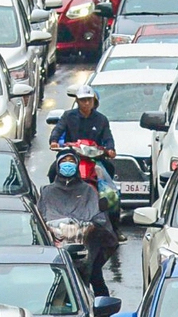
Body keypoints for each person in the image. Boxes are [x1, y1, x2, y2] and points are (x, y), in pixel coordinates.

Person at [36, 154, 117, 298]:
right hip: (56, 245)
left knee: (96, 279)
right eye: (64, 162)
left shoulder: (89, 191)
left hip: (85, 244)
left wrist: (89, 227)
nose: (68, 165)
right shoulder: (47, 191)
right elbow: (40, 217)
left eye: (71, 162)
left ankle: (105, 315)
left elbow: (99, 218)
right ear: (57, 166)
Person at [50, 84, 116, 153]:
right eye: (83, 100)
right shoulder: (68, 116)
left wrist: (110, 149)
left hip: (94, 155)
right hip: (72, 155)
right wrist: (54, 141)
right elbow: (58, 129)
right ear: (77, 101)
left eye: (89, 99)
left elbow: (108, 137)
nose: (87, 103)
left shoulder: (102, 119)